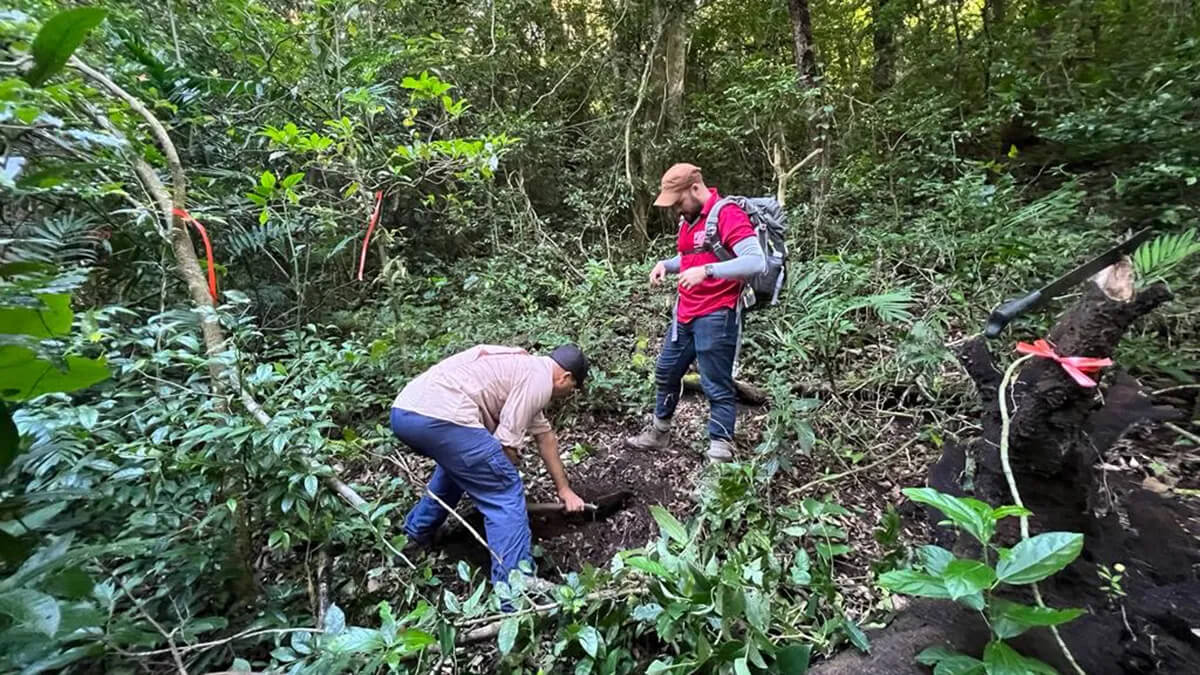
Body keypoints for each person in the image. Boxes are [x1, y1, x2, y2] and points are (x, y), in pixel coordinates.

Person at [391, 343, 589, 590]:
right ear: (565, 377)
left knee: (460, 468)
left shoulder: (525, 369)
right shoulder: (538, 381)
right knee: (504, 490)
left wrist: (565, 490)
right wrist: (506, 475)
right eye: (573, 387)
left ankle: (416, 536)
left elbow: (545, 437)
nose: (570, 392)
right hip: (440, 416)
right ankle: (514, 589)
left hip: (405, 412)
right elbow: (506, 444)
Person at [626, 163, 765, 462]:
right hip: (685, 313)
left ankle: (719, 454)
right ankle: (659, 432)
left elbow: (756, 262)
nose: (676, 209)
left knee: (716, 383)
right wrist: (667, 264)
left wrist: (708, 271)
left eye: (678, 201)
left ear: (695, 188)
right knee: (666, 371)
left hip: (717, 314)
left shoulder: (727, 214)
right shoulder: (689, 220)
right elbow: (689, 256)